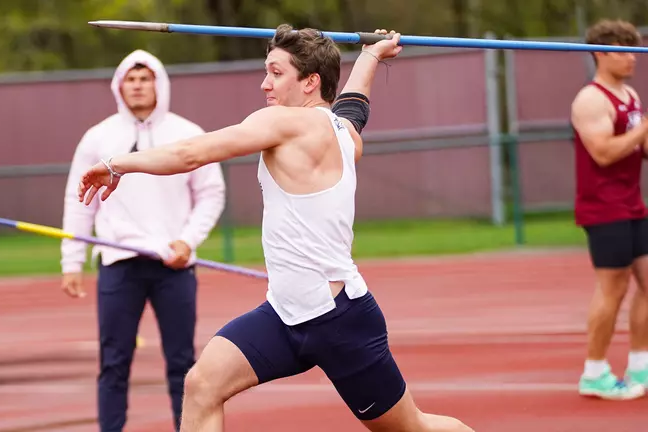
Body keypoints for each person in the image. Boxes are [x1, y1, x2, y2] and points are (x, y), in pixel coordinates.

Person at [76, 25, 473, 431]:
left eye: (276, 72)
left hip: (339, 322)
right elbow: (355, 106)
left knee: (413, 428)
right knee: (201, 384)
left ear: (310, 82)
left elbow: (192, 153)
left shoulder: (286, 123)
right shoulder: (344, 133)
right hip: (284, 316)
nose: (265, 83)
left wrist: (116, 164)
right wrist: (371, 55)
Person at [60, 49, 227, 431]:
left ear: (159, 84)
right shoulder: (98, 137)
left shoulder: (187, 133)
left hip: (174, 265)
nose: (137, 86)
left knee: (183, 363)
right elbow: (79, 199)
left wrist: (187, 241)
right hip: (118, 265)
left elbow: (211, 193)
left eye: (145, 78)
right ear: (119, 85)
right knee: (114, 362)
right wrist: (72, 260)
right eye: (130, 79)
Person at [570, 18, 648, 400]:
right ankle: (595, 371)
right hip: (604, 207)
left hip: (632, 203)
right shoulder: (591, 99)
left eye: (635, 49)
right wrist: (642, 130)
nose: (633, 57)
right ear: (600, 53)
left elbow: (638, 149)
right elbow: (603, 152)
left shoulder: (630, 95)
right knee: (613, 288)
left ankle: (641, 364)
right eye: (623, 49)